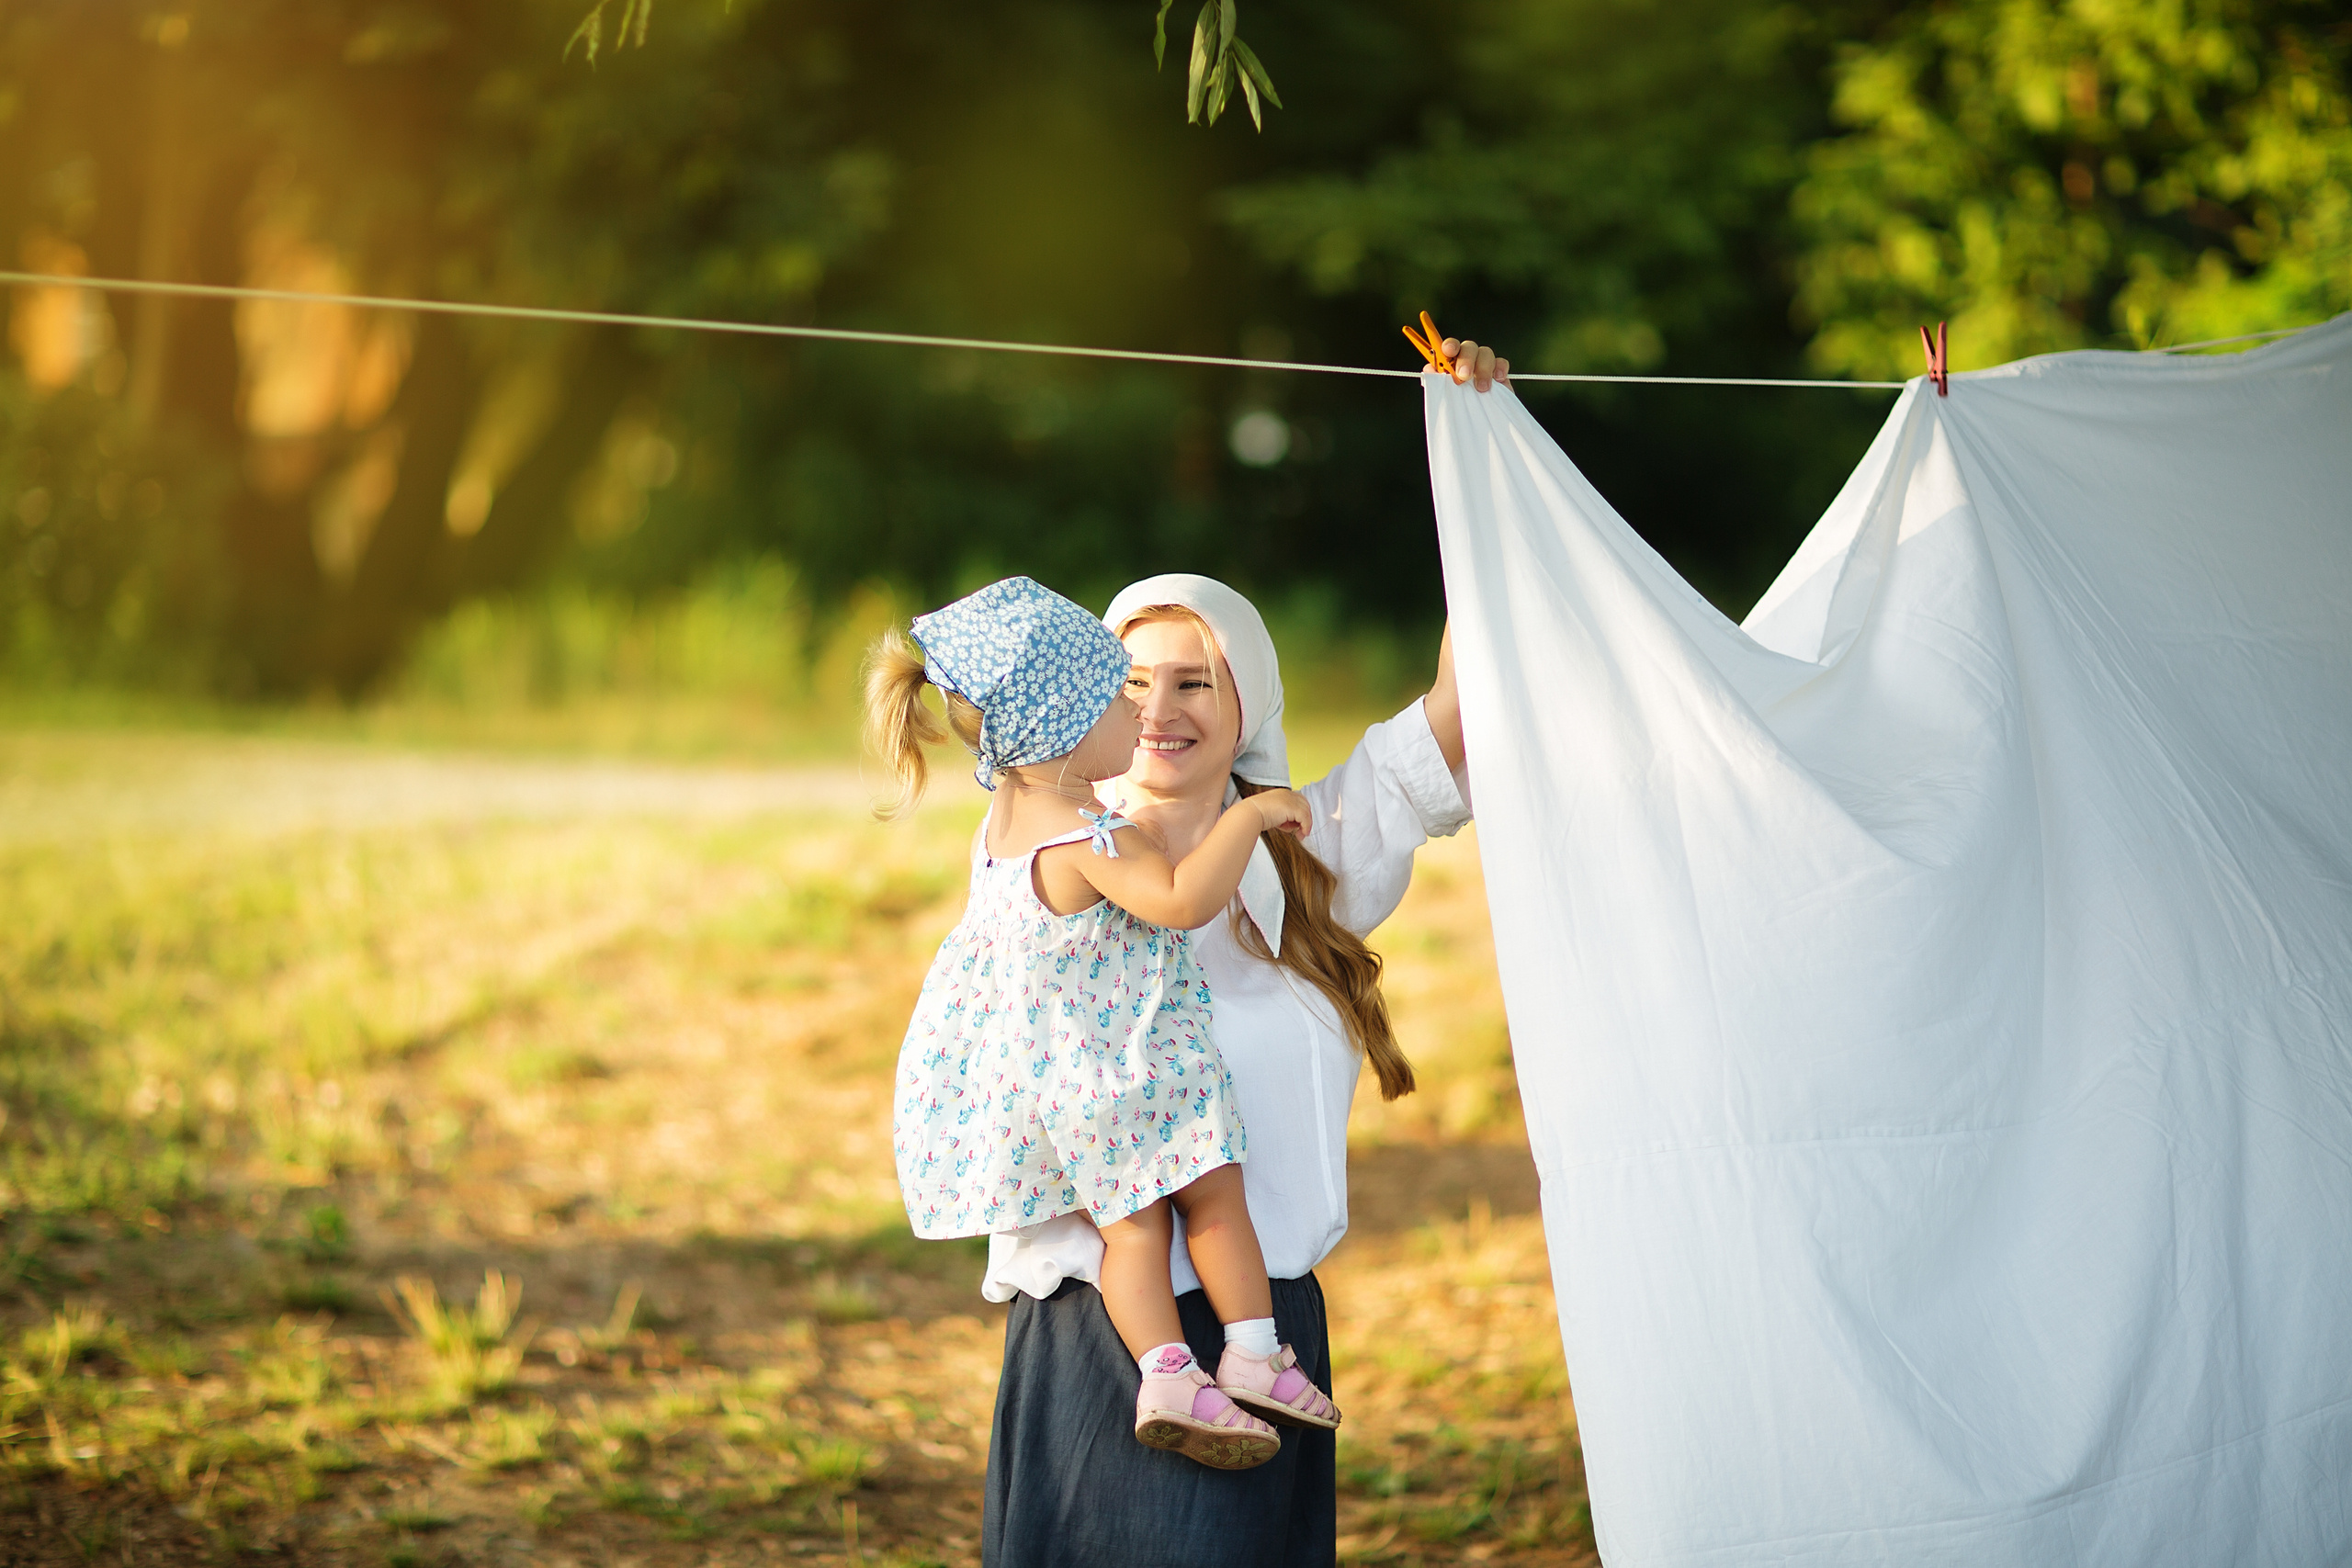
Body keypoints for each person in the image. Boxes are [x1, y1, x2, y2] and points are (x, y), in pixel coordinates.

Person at [979, 336, 1495, 1557]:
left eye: (1196, 680)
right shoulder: (1056, 847)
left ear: (1248, 702)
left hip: (1267, 1328)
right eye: (1135, 680)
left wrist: (1479, 454)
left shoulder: (1301, 849)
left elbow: (1459, 713)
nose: (1160, 708)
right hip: (1100, 1325)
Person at [865, 575, 1346, 1472]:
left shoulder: (1004, 826)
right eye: (1119, 696)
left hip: (1060, 1089)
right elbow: (1182, 902)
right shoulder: (1092, 839)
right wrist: (1248, 816)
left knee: (1131, 1230)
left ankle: (1167, 1372)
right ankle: (1251, 1353)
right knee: (1212, 1193)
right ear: (1065, 729)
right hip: (1132, 1074)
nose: (1139, 718)